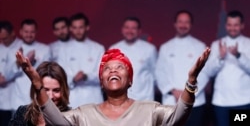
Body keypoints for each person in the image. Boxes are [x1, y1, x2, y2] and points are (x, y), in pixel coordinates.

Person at [16, 47, 210, 126]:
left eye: (120, 67)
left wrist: (191, 80)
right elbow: (56, 122)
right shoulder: (83, 114)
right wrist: (38, 85)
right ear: (101, 82)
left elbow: (180, 115)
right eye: (107, 69)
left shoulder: (150, 110)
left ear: (131, 80)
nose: (113, 70)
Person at [155, 10, 209, 126]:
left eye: (186, 22)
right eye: (180, 22)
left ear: (191, 25)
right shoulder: (166, 47)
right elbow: (159, 73)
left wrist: (187, 92)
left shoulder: (200, 46)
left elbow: (205, 73)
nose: (183, 25)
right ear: (175, 24)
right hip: (171, 102)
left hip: (195, 102)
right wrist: (173, 91)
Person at [205, 10, 250, 126]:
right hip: (221, 102)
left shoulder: (248, 44)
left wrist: (238, 56)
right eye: (229, 25)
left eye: (236, 25)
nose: (232, 28)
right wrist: (221, 57)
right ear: (225, 26)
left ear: (242, 26)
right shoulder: (216, 45)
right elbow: (209, 72)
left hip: (243, 101)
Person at [58, 13, 105, 108]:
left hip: (94, 99)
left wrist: (86, 77)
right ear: (70, 29)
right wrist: (73, 79)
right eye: (74, 28)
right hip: (72, 99)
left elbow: (103, 75)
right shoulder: (63, 49)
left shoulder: (98, 48)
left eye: (81, 27)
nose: (78, 31)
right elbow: (60, 75)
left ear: (87, 27)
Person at [109, 17, 157, 101]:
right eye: (127, 28)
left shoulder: (149, 49)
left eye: (133, 28)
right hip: (120, 100)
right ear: (122, 30)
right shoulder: (114, 48)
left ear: (139, 31)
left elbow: (155, 75)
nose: (130, 31)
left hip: (144, 99)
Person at [7, 19, 50, 111]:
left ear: (36, 32)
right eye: (26, 32)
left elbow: (47, 73)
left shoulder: (45, 49)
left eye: (32, 32)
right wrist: (20, 63)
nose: (29, 35)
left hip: (38, 100)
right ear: (21, 32)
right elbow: (7, 76)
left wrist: (32, 63)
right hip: (18, 101)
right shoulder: (13, 50)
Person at [9, 61, 70, 126]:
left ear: (64, 91)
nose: (50, 96)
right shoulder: (22, 113)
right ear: (35, 89)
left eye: (56, 90)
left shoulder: (71, 117)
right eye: (45, 90)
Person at [0, 20, 22, 126]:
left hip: (17, 99)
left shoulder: (22, 46)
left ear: (12, 33)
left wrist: (6, 78)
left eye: (5, 38)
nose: (3, 41)